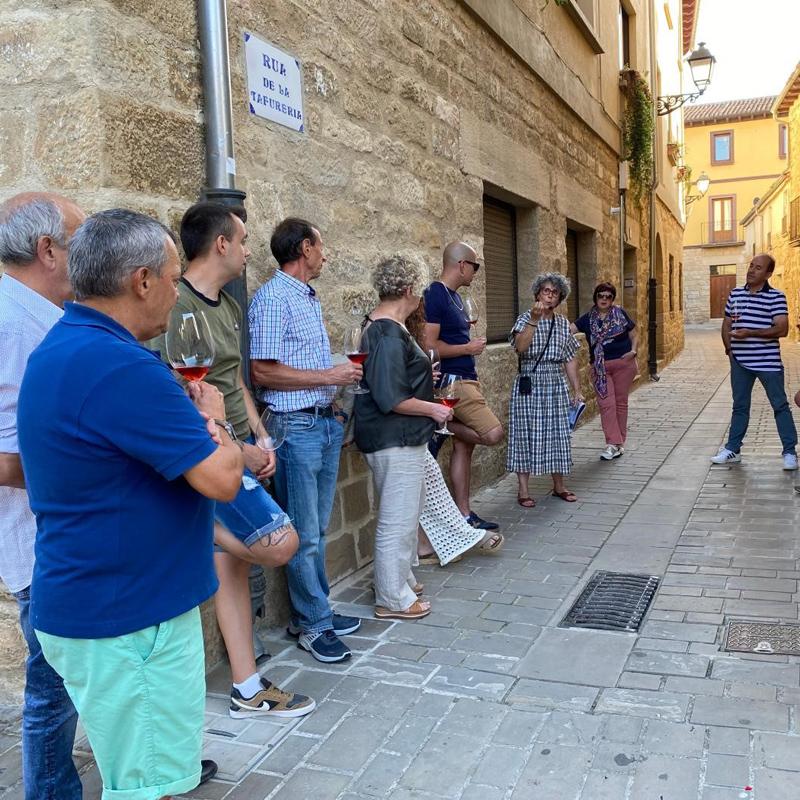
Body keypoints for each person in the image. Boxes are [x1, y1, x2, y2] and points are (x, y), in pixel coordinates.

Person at [18, 209, 244, 800]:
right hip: (130, 619)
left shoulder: (64, 347)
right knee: (146, 786)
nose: (177, 293)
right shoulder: (120, 366)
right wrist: (217, 422)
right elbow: (221, 479)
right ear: (141, 281)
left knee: (140, 771)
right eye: (172, 277)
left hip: (104, 604)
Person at [150, 202, 314, 719]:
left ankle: (246, 687)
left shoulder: (231, 305)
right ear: (221, 243)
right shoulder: (173, 308)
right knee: (276, 543)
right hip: (210, 452)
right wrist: (235, 448)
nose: (248, 251)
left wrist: (260, 438)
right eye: (242, 241)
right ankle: (190, 525)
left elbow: (236, 383)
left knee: (234, 569)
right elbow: (175, 395)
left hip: (241, 445)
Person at [0, 192, 85, 800]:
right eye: (78, 239)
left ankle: (141, 763)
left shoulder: (46, 313)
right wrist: (100, 463)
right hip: (39, 540)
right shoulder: (8, 322)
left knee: (82, 674)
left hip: (67, 531)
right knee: (52, 687)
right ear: (47, 249)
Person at [249, 218, 362, 663]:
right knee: (304, 532)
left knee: (315, 528)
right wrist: (330, 376)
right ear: (303, 248)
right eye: (320, 245)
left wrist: (332, 403)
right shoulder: (275, 298)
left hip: (320, 422)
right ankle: (314, 626)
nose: (325, 254)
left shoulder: (306, 297)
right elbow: (262, 372)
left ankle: (310, 613)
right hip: (293, 428)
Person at [354, 256, 452, 619]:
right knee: (397, 518)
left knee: (406, 514)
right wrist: (433, 409)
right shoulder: (386, 331)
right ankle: (391, 598)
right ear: (409, 290)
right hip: (394, 438)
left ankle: (400, 580)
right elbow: (390, 397)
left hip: (398, 438)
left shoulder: (386, 327)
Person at [423, 242, 503, 532]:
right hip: (453, 383)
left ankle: (464, 515)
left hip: (467, 378)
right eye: (475, 266)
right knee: (493, 433)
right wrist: (468, 347)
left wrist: (467, 347)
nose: (475, 272)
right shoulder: (435, 294)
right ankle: (438, 424)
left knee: (465, 447)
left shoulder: (455, 297)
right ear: (461, 265)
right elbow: (429, 346)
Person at [711, 253, 798, 469]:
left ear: (768, 274)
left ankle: (789, 452)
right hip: (739, 362)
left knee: (780, 405)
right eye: (751, 266)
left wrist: (749, 332)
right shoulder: (735, 294)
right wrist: (729, 350)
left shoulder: (776, 297)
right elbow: (727, 323)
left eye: (758, 268)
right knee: (739, 406)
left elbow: (782, 329)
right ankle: (733, 449)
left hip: (768, 362)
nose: (751, 270)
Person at [507, 272, 583, 505]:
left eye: (554, 293)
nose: (549, 296)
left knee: (558, 434)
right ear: (538, 293)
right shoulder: (524, 319)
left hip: (555, 383)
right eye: (545, 291)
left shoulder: (562, 324)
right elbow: (520, 348)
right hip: (529, 383)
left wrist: (576, 389)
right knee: (525, 434)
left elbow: (569, 358)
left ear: (560, 298)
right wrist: (533, 320)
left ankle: (559, 485)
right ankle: (523, 490)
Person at [572, 282, 638, 461]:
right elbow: (569, 330)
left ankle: (619, 444)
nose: (604, 299)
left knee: (620, 403)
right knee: (606, 404)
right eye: (601, 295)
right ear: (596, 297)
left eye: (608, 296)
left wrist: (633, 351)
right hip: (600, 368)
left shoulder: (620, 314)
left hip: (623, 364)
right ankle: (612, 443)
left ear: (612, 299)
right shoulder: (587, 319)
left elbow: (634, 332)